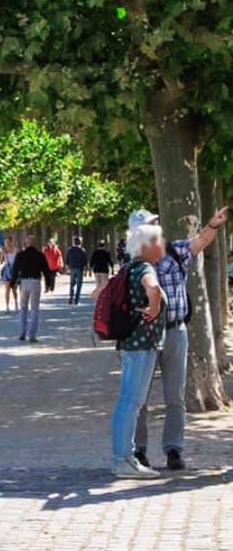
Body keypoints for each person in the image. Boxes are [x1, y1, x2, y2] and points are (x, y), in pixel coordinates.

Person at [132, 204, 228, 472]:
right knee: (139, 397)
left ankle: (173, 449)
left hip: (175, 331)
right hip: (145, 336)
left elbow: (199, 242)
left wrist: (213, 225)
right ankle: (138, 451)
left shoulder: (173, 252)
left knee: (175, 395)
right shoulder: (132, 264)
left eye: (154, 224)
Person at [110, 222, 167, 479]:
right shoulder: (144, 268)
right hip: (141, 344)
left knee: (129, 401)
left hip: (132, 344)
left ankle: (124, 456)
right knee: (131, 402)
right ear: (146, 246)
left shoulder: (128, 267)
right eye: (158, 241)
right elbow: (152, 286)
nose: (162, 245)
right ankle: (123, 458)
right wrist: (154, 307)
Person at [10, 236, 48, 343]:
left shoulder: (20, 255)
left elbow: (15, 269)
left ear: (26, 243)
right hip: (35, 282)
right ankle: (32, 335)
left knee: (23, 308)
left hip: (24, 282)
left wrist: (13, 282)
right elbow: (45, 270)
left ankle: (22, 332)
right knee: (34, 309)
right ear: (36, 243)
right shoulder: (40, 255)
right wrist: (49, 284)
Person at [65, 236, 88, 305]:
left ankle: (71, 297)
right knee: (79, 284)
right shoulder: (82, 250)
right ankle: (76, 300)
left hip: (72, 268)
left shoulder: (70, 249)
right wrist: (86, 270)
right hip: (79, 268)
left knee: (72, 283)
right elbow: (85, 261)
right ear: (80, 242)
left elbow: (67, 259)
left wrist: (67, 268)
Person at [0, 236, 18, 312]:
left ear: (11, 242)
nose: (6, 244)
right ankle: (7, 306)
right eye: (5, 242)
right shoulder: (3, 251)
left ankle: (16, 303)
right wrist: (3, 253)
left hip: (14, 270)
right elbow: (0, 262)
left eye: (8, 242)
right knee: (7, 289)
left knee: (14, 289)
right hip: (7, 270)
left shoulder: (15, 250)